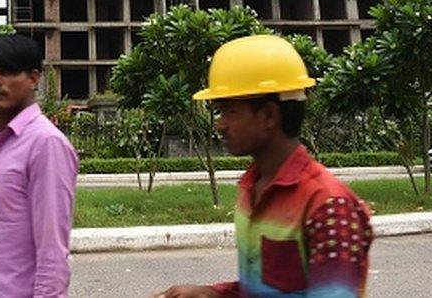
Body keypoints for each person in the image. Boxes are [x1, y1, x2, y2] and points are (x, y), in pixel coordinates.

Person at [152, 34, 373, 298]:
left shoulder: (329, 206)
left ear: (269, 115)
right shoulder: (252, 188)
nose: (220, 124)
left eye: (229, 111)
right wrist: (212, 294)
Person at [0, 34, 79, 297]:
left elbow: (52, 252)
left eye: (7, 71)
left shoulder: (45, 143)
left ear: (33, 79)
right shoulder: (4, 144)